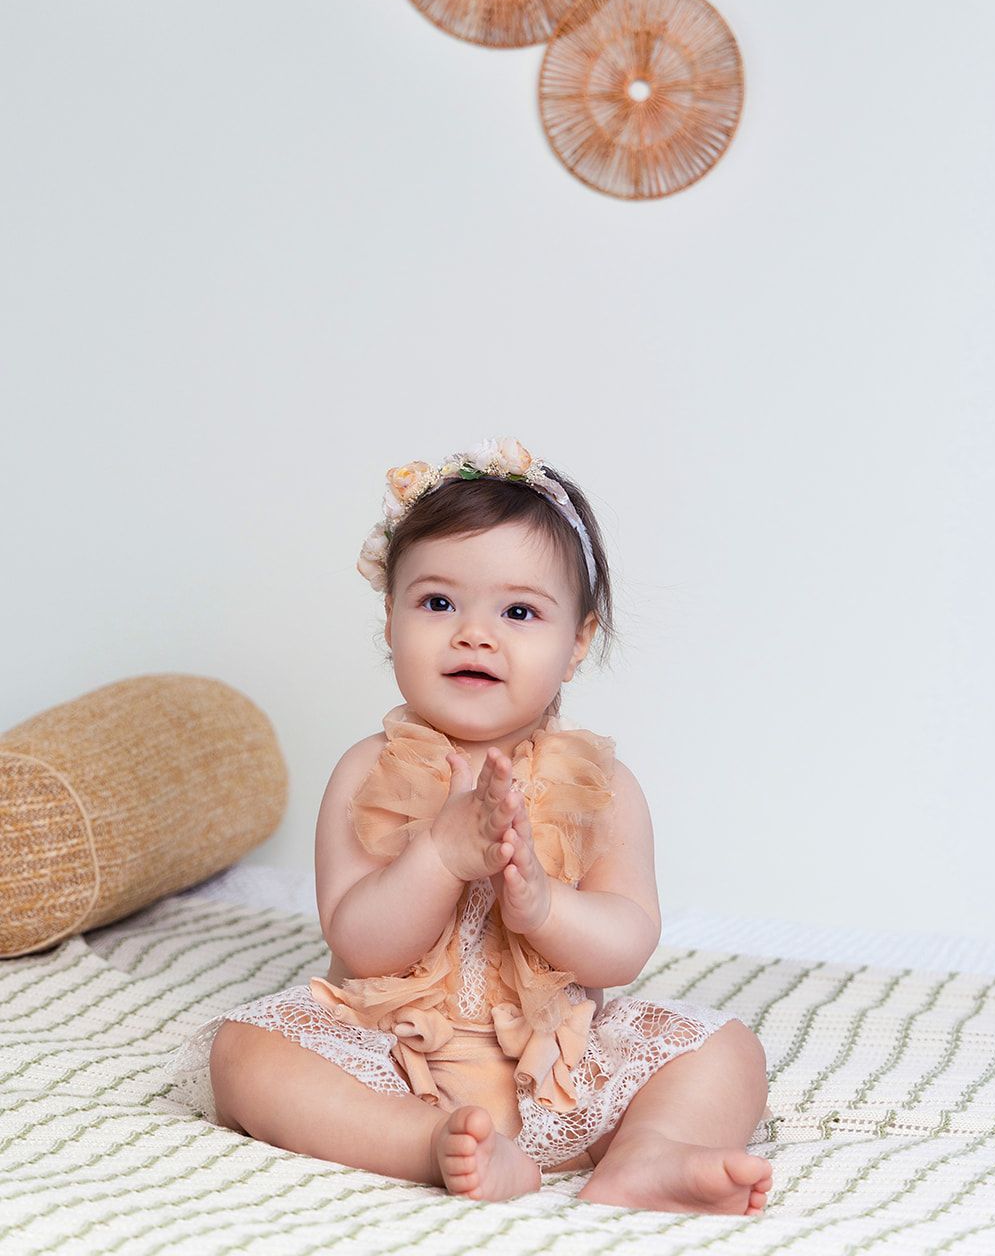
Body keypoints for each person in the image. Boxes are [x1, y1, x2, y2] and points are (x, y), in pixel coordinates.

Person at [173, 437, 774, 1213]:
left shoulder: (604, 788)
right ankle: (429, 1145)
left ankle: (647, 1154)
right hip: (393, 1061)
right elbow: (360, 943)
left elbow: (626, 943)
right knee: (245, 1053)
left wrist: (545, 909)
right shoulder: (369, 772)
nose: (473, 634)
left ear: (577, 641)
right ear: (390, 619)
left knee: (725, 1049)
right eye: (436, 603)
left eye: (518, 611)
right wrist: (441, 852)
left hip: (561, 1065)